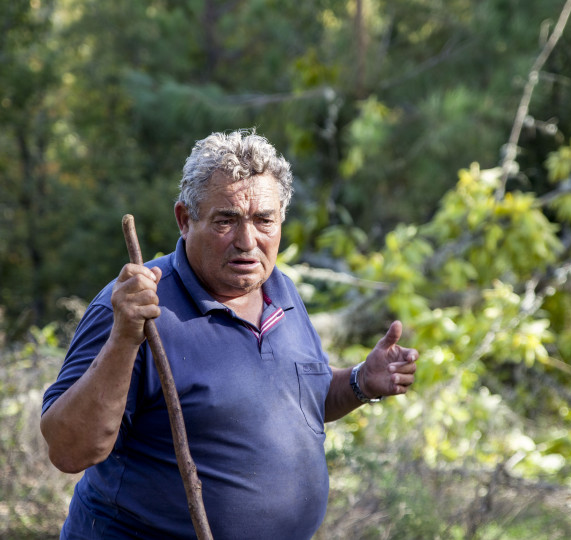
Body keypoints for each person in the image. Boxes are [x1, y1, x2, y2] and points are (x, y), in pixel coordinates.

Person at [40, 129, 419, 539]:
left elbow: (297, 400)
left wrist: (361, 381)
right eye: (226, 220)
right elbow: (68, 449)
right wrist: (124, 338)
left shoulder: (283, 294)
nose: (247, 241)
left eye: (263, 221)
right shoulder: (138, 309)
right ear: (185, 220)